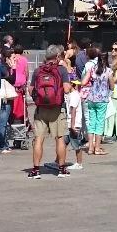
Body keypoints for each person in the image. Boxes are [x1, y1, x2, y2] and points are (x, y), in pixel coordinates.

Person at [27, 45, 70, 179]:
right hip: (57, 109)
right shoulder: (61, 70)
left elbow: (30, 89)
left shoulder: (38, 70)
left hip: (41, 110)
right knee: (60, 138)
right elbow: (67, 89)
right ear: (57, 56)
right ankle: (61, 169)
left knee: (39, 139)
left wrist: (38, 99)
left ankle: (35, 170)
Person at [81, 46, 111, 157]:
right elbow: (112, 86)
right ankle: (97, 148)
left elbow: (83, 82)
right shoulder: (108, 71)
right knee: (100, 123)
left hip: (91, 98)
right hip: (102, 99)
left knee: (91, 122)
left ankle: (90, 148)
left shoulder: (92, 69)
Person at [63, 77, 87, 171]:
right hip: (70, 123)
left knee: (76, 144)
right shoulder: (71, 94)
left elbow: (73, 111)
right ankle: (59, 161)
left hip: (74, 123)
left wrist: (72, 125)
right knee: (64, 142)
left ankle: (79, 163)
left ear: (71, 84)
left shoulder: (74, 95)